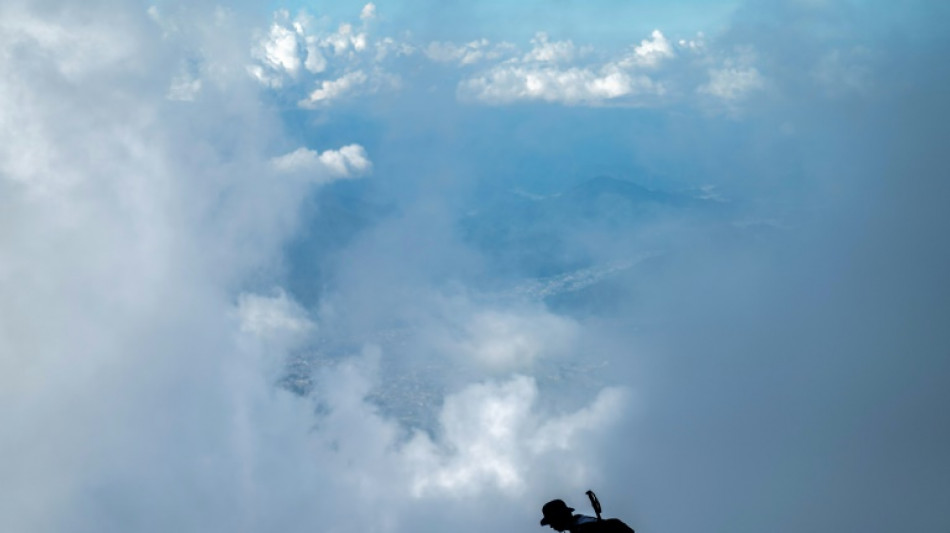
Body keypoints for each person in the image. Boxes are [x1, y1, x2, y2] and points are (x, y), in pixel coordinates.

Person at [539, 499, 635, 533]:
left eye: (552, 521)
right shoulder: (579, 525)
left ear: (560, 518)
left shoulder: (585, 526)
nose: (551, 526)